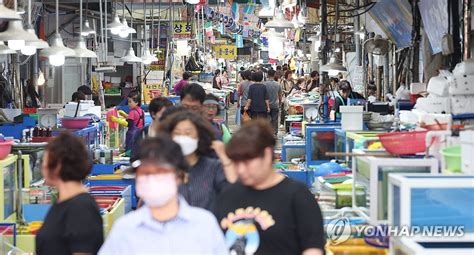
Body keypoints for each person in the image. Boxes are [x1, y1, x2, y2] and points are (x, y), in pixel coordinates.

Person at [99, 135, 227, 254]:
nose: (152, 179)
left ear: (180, 176)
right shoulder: (124, 229)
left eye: (161, 172)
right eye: (145, 173)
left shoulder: (204, 225)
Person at [214, 120, 326, 255]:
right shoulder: (228, 195)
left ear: (267, 155)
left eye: (247, 162)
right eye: (237, 163)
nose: (241, 170)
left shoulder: (297, 196)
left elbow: (313, 248)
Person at [36, 133, 103, 255]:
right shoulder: (63, 202)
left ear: (58, 165)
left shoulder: (81, 208)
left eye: (45, 161)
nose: (43, 167)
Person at [158, 111, 237, 210]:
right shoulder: (163, 170)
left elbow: (234, 192)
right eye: (177, 133)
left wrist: (225, 158)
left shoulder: (214, 167)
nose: (183, 138)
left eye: (188, 133)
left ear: (199, 136)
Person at [131, 97, 173, 162]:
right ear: (153, 114)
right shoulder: (142, 134)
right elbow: (134, 159)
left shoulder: (174, 133)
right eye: (164, 114)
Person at [264, 69, 282, 135]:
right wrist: (280, 103)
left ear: (267, 75)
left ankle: (268, 132)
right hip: (275, 104)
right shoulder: (278, 84)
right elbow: (280, 96)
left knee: (267, 120)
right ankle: (274, 132)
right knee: (275, 119)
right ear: (274, 75)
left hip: (266, 105)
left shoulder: (264, 84)